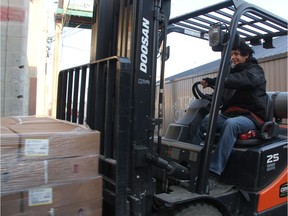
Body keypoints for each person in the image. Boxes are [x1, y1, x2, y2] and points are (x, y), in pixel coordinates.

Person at [193, 41, 267, 188]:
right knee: (206, 120)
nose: (233, 57)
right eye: (232, 54)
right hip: (231, 114)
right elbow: (224, 94)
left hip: (251, 117)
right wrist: (212, 93)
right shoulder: (232, 74)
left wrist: (215, 81)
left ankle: (214, 171)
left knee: (231, 125)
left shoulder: (255, 71)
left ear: (246, 55)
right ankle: (192, 160)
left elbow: (241, 81)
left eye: (236, 54)